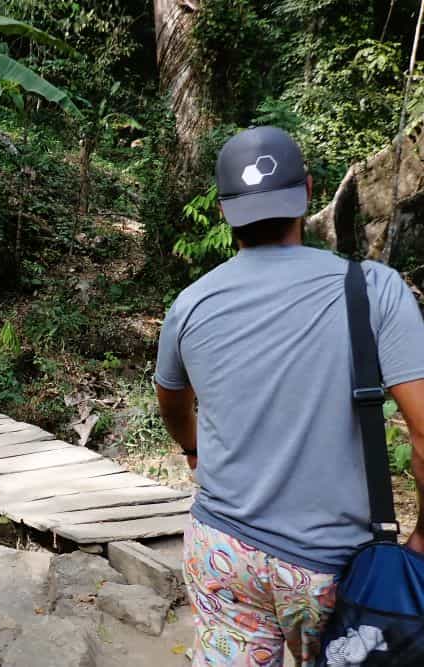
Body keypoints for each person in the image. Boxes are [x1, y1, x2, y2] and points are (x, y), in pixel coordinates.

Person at [155, 126, 424, 666]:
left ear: (224, 210)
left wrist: (191, 448)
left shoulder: (190, 305)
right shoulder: (372, 289)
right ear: (307, 191)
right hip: (333, 567)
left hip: (222, 551)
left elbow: (171, 398)